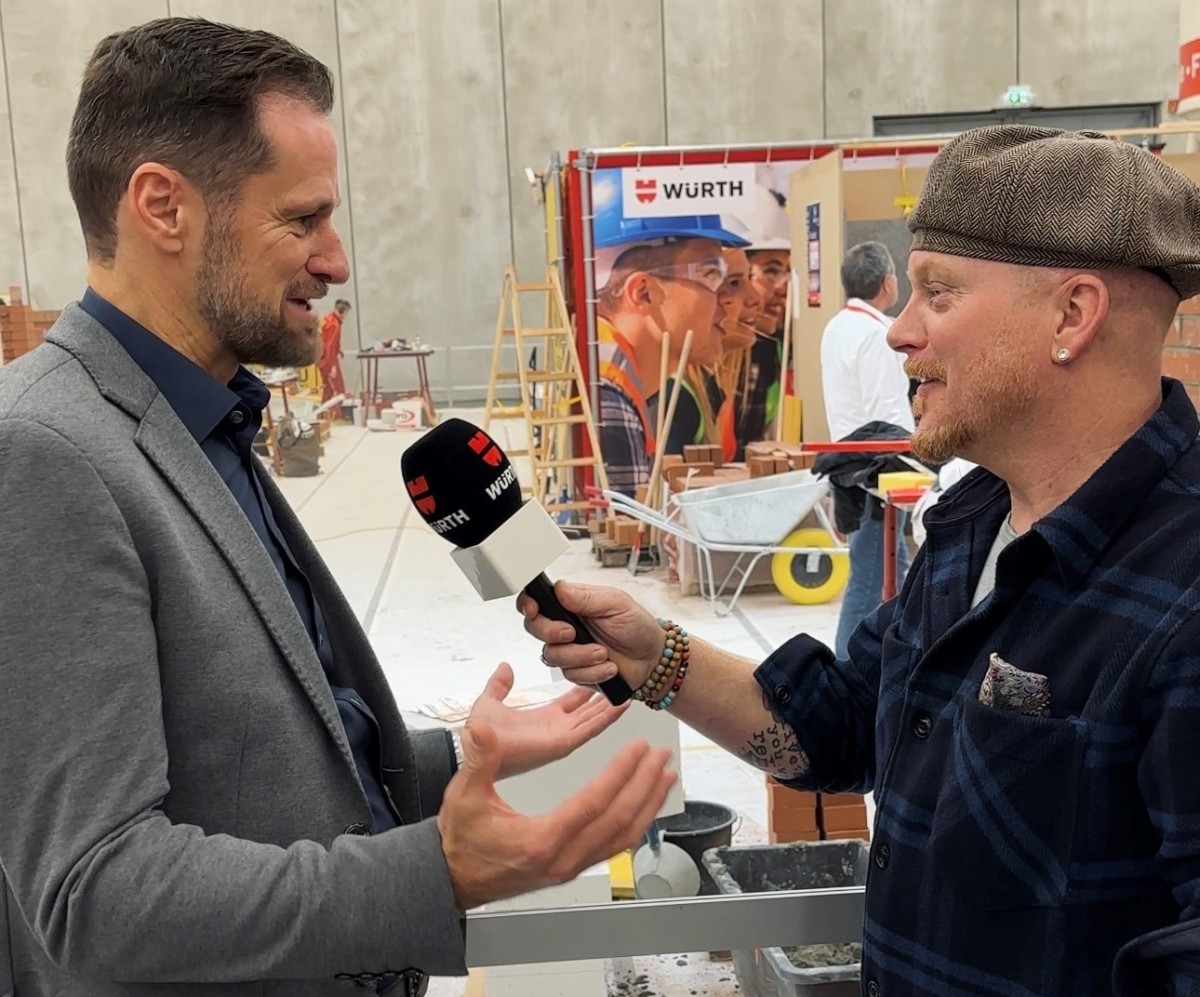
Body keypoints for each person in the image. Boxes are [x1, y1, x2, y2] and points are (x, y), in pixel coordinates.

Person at [0, 19, 675, 997]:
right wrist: (432, 872)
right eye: (302, 219)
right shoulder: (46, 455)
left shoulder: (197, 420)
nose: (337, 259)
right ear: (163, 207)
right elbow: (96, 894)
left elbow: (241, 755)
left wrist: (443, 760)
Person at [521, 125, 1200, 996]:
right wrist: (655, 657)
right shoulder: (973, 518)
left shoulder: (1180, 598)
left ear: (1074, 313)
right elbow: (842, 727)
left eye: (939, 295)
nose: (899, 333)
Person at [590, 171, 748, 497]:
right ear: (644, 293)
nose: (728, 301)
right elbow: (629, 541)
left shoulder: (612, 378)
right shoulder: (608, 405)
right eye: (711, 274)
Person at [819, 241, 915, 657]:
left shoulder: (837, 326)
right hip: (878, 472)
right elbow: (888, 419)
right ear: (888, 282)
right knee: (870, 582)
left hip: (850, 464)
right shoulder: (877, 336)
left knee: (899, 574)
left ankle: (897, 663)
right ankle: (844, 674)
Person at [734, 184, 791, 458]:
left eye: (788, 272)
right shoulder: (719, 359)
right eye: (770, 270)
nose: (783, 286)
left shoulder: (774, 345)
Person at [318, 297, 351, 406]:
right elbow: (329, 346)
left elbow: (332, 342)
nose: (346, 315)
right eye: (346, 312)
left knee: (328, 387)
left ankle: (326, 413)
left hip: (324, 358)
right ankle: (334, 414)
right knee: (335, 387)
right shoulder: (334, 325)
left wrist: (338, 350)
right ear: (342, 311)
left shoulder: (329, 319)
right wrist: (332, 366)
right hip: (328, 360)